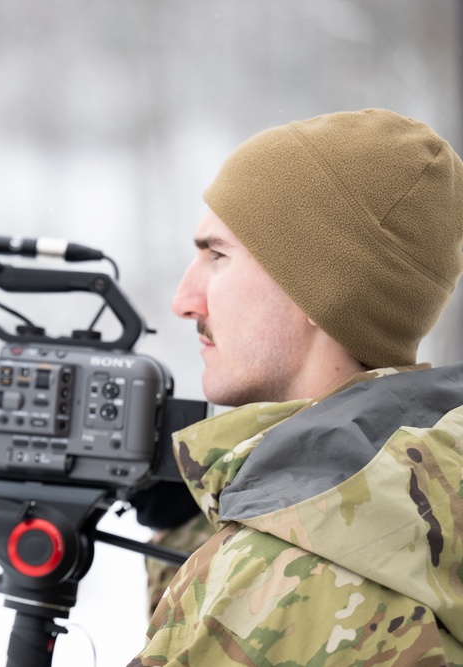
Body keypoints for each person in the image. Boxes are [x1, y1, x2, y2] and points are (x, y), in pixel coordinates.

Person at [130, 109, 463, 666]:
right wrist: (190, 534)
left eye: (216, 255)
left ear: (320, 288)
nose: (184, 300)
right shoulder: (414, 497)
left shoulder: (281, 583)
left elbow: (278, 613)